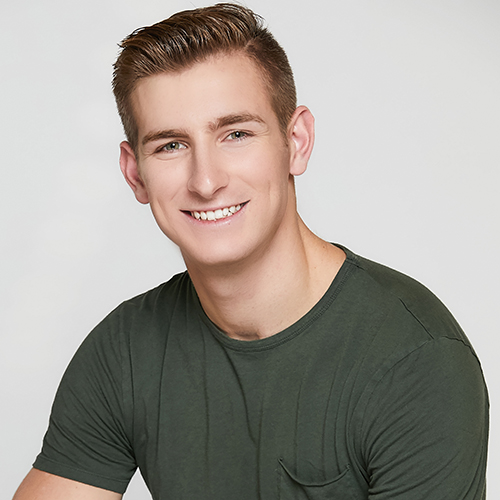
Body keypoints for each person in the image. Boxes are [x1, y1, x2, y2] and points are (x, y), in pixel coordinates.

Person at [13, 3, 488, 499]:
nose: (206, 180)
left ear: (296, 141)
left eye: (236, 134)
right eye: (171, 145)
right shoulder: (124, 353)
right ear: (135, 174)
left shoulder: (415, 360)